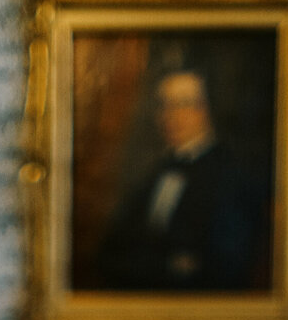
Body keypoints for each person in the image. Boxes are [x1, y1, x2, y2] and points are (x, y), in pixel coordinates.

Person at [97, 69, 266, 293]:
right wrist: (169, 264)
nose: (171, 115)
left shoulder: (233, 177)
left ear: (207, 110)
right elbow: (110, 250)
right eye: (165, 105)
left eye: (184, 104)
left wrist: (149, 264)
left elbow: (224, 268)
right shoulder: (158, 172)